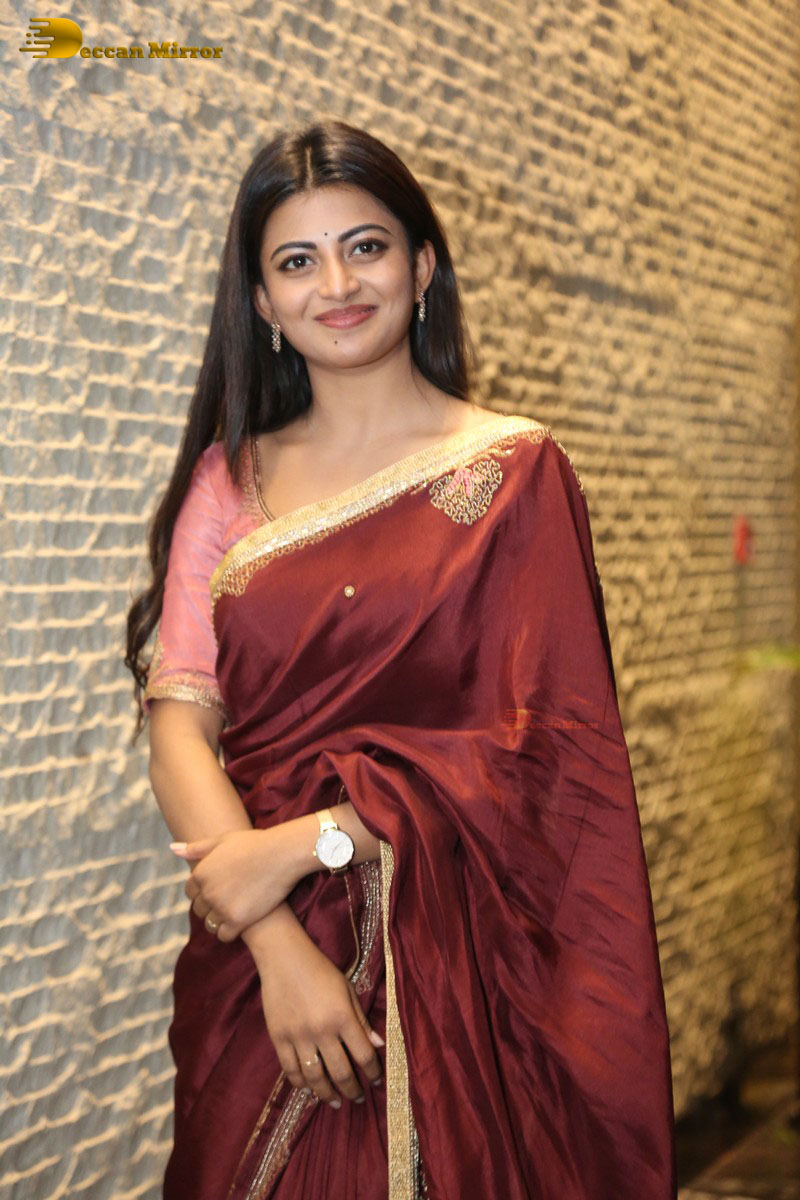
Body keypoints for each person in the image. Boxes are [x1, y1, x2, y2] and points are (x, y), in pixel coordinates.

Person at [125, 118, 677, 1199]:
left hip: (462, 956)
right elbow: (180, 719)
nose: (336, 284)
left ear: (422, 267)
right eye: (297, 261)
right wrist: (275, 942)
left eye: (365, 247)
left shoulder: (511, 476)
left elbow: (547, 754)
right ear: (261, 301)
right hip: (261, 966)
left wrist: (311, 842)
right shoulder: (230, 482)